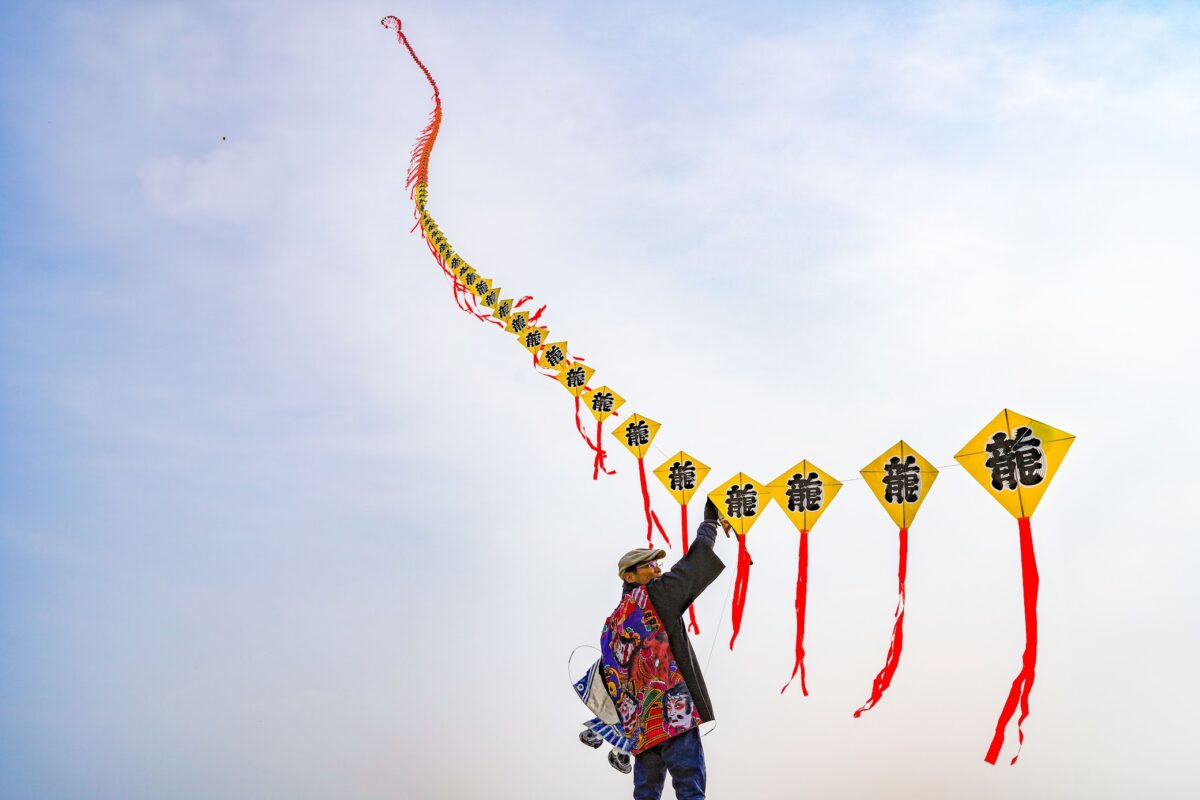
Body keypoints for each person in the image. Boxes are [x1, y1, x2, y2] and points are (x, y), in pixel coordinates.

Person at [599, 498, 728, 800]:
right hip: (674, 713)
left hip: (641, 728)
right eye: (650, 564)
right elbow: (694, 563)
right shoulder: (654, 597)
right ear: (629, 576)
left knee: (645, 794)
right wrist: (709, 522)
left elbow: (608, 678)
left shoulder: (611, 624)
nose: (658, 569)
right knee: (689, 788)